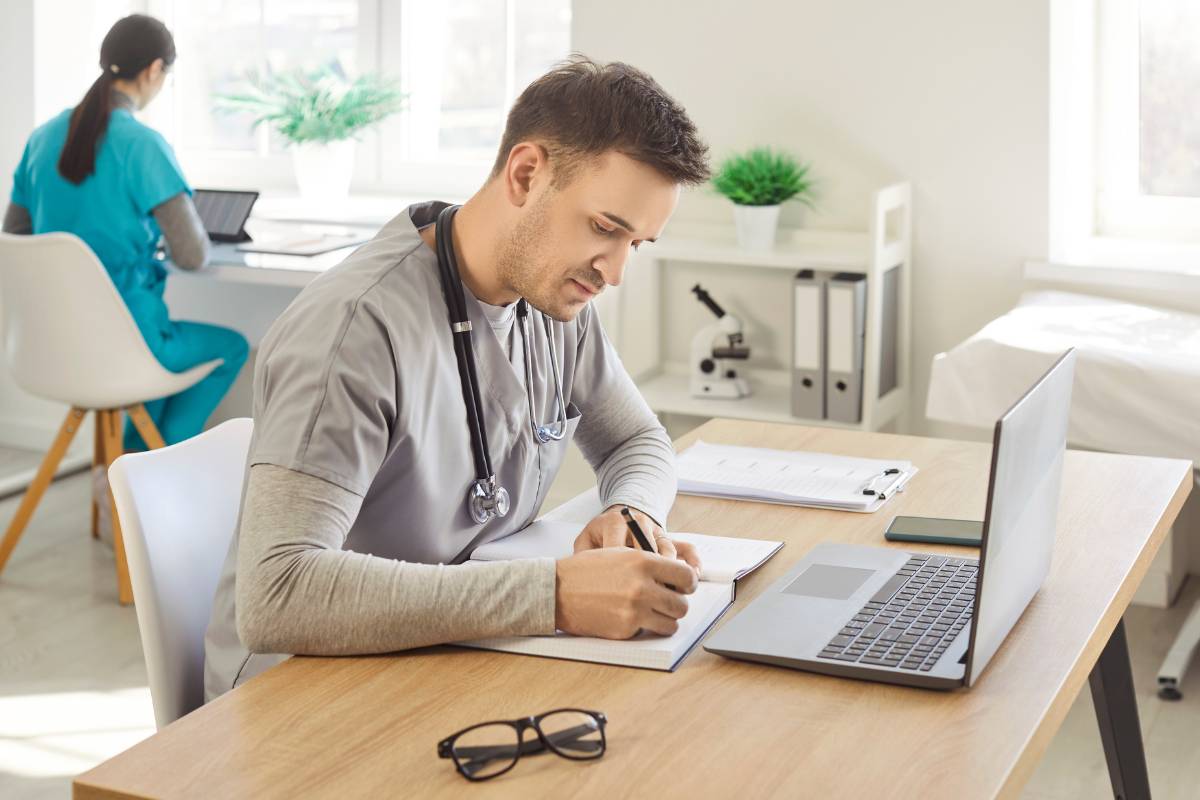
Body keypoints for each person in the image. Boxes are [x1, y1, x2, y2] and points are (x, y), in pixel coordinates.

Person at [203, 57, 711, 700]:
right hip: (303, 694)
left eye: (634, 245)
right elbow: (278, 595)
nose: (613, 272)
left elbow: (635, 440)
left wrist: (631, 510)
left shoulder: (554, 300)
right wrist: (554, 594)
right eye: (605, 229)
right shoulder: (354, 328)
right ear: (526, 174)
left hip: (446, 656)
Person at [2, 14, 248, 450]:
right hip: (129, 342)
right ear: (154, 69)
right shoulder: (142, 145)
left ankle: (133, 464)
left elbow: (15, 237)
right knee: (232, 347)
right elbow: (192, 255)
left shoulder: (42, 139)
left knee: (151, 369)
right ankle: (165, 458)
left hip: (49, 348)